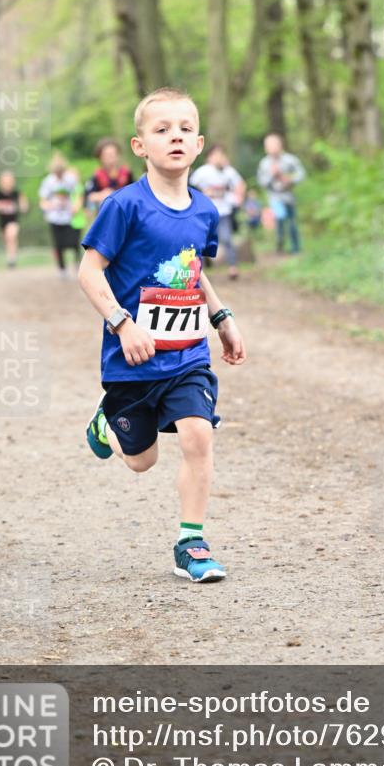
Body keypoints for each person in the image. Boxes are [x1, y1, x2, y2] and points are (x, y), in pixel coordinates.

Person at [78, 87, 246, 583]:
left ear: (199, 145)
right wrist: (121, 322)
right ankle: (108, 422)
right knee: (141, 462)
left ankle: (191, 542)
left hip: (185, 354)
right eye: (162, 129)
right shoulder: (123, 206)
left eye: (185, 129)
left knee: (198, 435)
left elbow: (193, 270)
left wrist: (221, 318)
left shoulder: (204, 210)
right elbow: (90, 272)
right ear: (139, 145)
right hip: (131, 357)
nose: (175, 136)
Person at [189, 144, 246, 279]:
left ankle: (233, 268)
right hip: (206, 212)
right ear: (209, 157)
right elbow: (190, 186)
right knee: (201, 240)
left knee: (227, 239)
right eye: (215, 155)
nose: (218, 158)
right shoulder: (202, 172)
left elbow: (240, 184)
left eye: (220, 155)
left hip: (224, 211)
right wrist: (203, 193)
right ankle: (197, 270)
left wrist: (239, 198)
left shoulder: (228, 171)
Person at [257, 133, 306, 254]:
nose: (271, 148)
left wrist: (289, 179)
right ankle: (280, 244)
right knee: (280, 217)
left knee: (292, 222)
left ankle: (295, 248)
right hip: (274, 196)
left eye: (274, 145)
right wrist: (272, 175)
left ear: (280, 145)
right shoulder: (264, 163)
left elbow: (301, 174)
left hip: (289, 196)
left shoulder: (290, 160)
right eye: (268, 145)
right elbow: (261, 181)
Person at [39, 153, 81, 278]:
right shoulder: (48, 181)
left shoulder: (70, 179)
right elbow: (43, 200)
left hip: (69, 217)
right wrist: (47, 207)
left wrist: (76, 206)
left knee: (74, 242)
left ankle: (77, 263)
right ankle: (62, 268)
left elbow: (78, 193)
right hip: (54, 217)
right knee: (58, 244)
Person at [0, 170, 28, 268]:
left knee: (11, 236)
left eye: (9, 181)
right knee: (7, 239)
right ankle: (10, 256)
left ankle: (12, 259)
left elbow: (24, 204)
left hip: (13, 220)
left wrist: (23, 206)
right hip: (2, 222)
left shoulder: (16, 193)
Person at [84, 137, 134, 214]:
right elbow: (88, 197)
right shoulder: (97, 176)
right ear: (100, 157)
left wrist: (115, 194)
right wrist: (102, 194)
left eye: (113, 154)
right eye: (107, 154)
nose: (111, 157)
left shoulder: (127, 174)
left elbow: (135, 194)